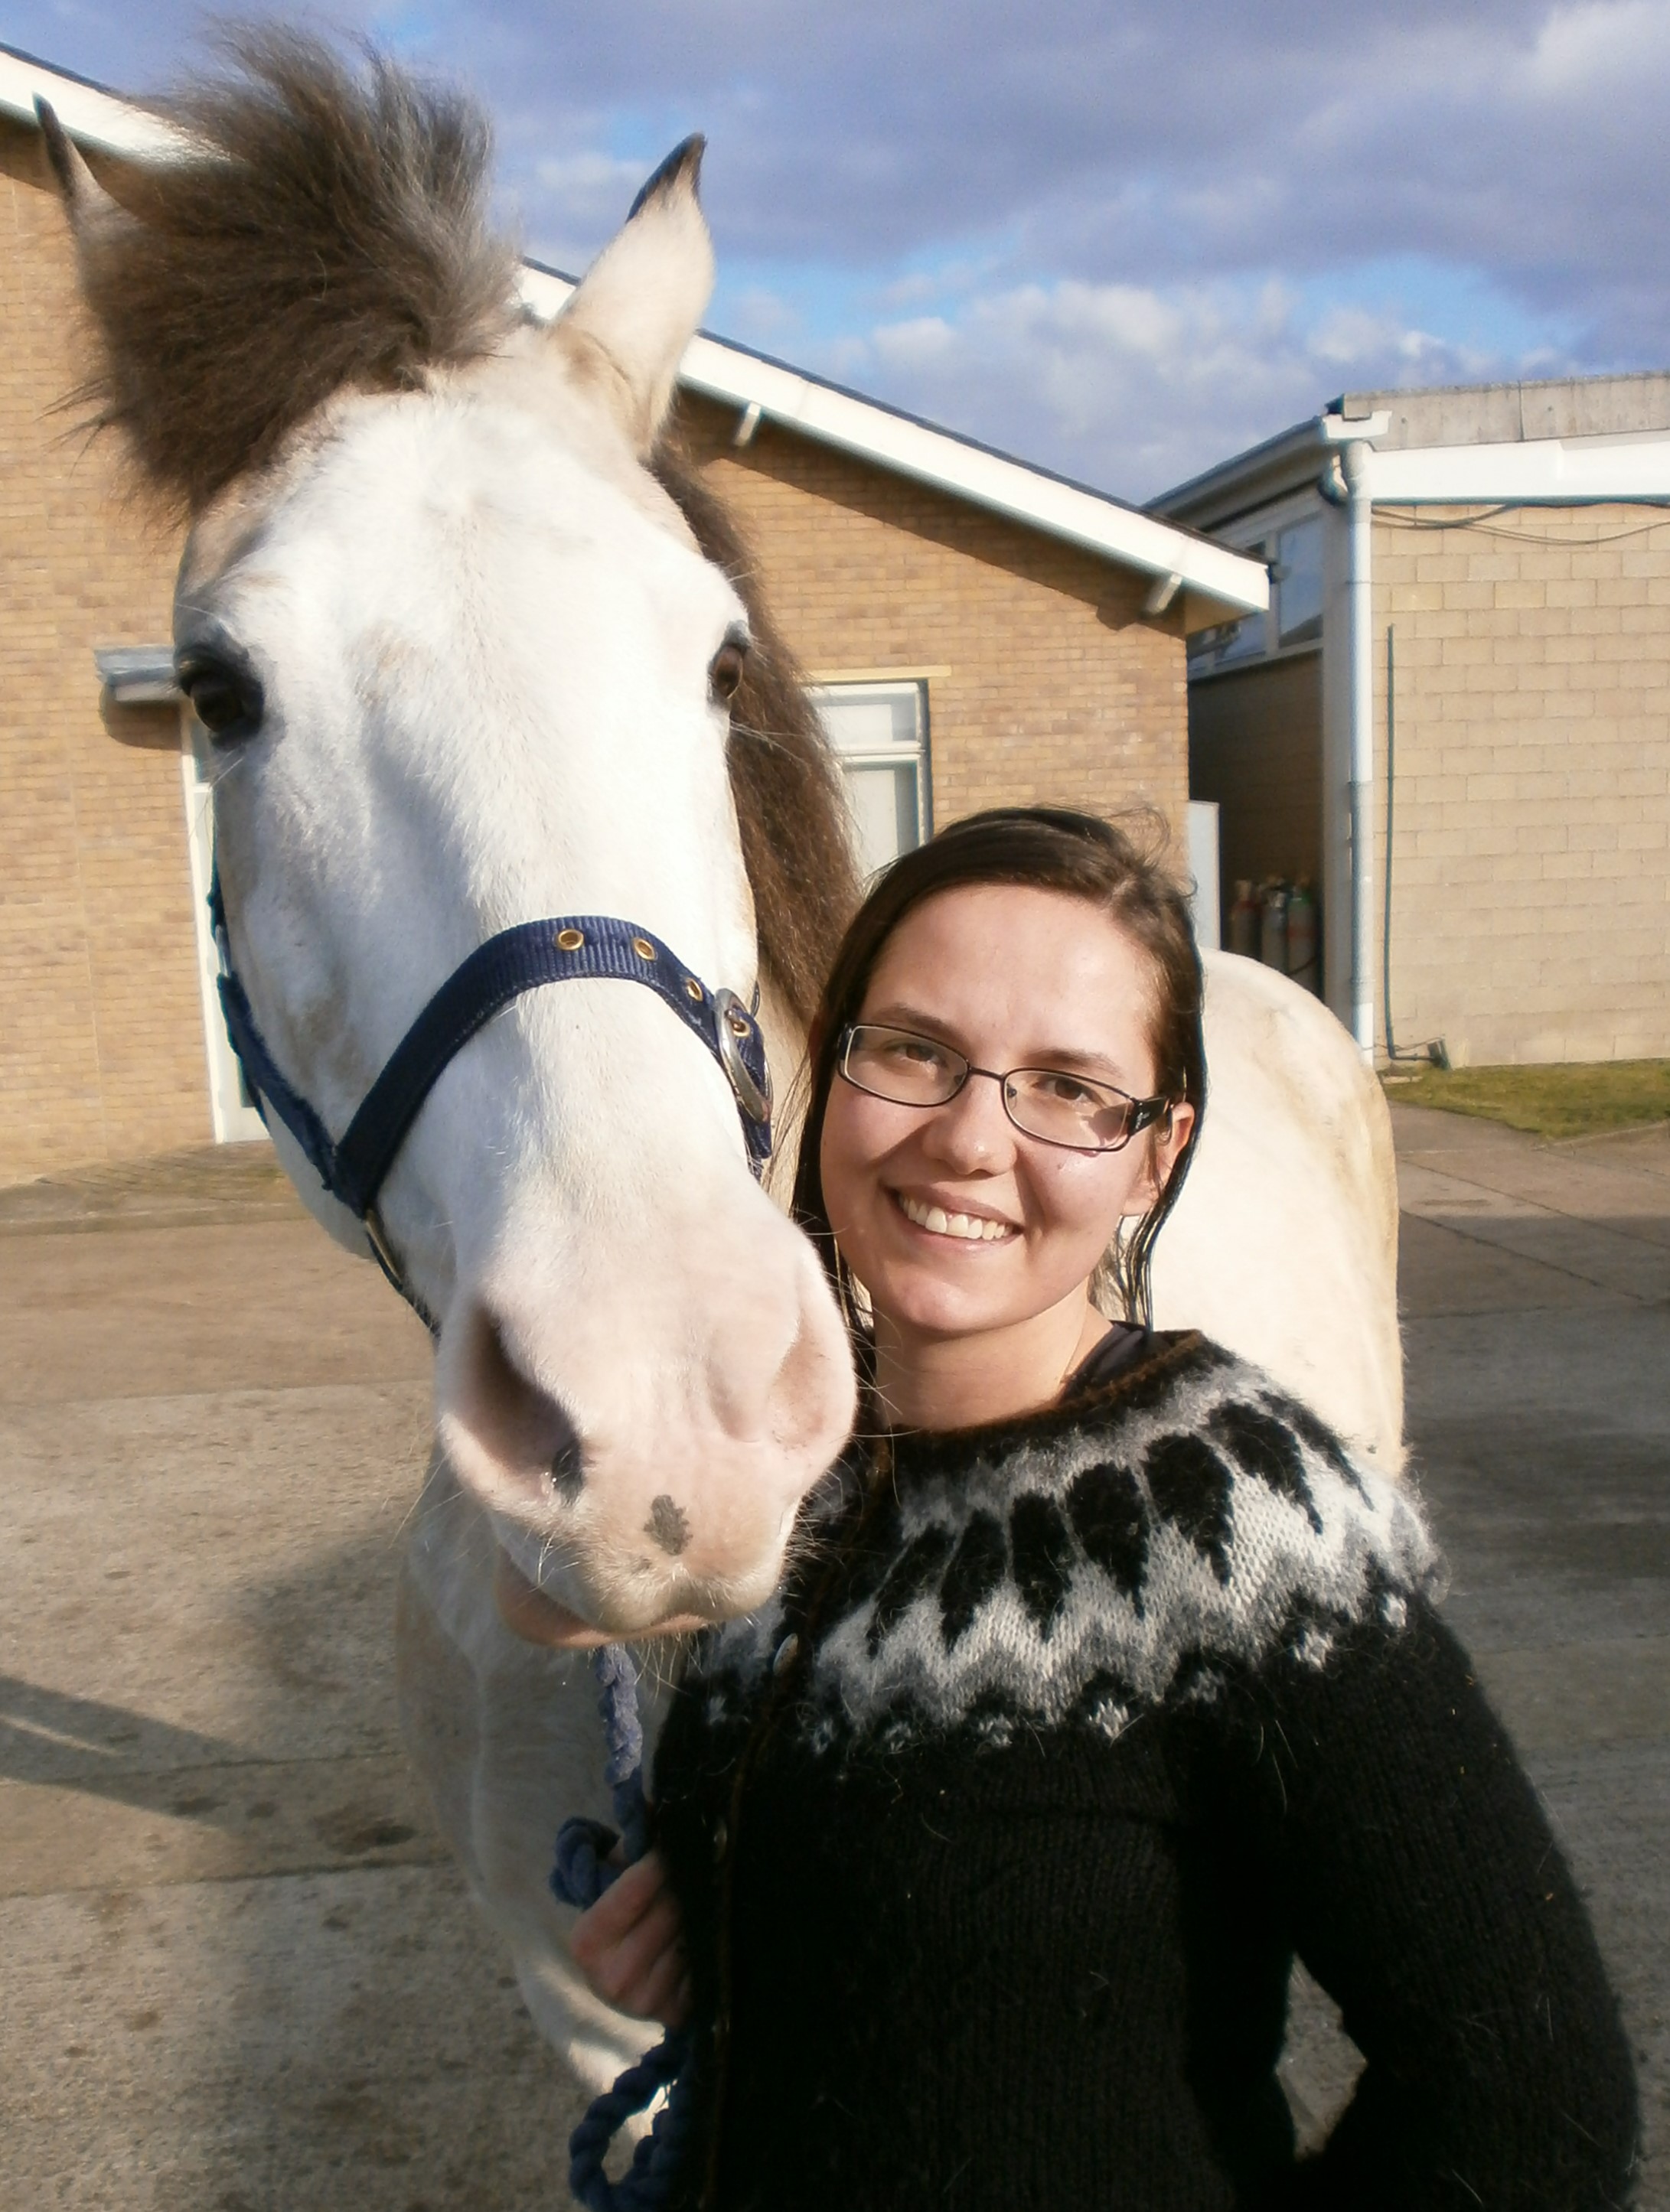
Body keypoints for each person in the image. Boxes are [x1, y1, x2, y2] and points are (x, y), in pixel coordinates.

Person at [571, 806, 1638, 2210]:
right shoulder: (795, 1466)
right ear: (833, 1071)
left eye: (1070, 1087)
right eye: (913, 1049)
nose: (965, 1137)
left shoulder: (1243, 1521)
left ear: (1153, 1151)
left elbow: (1533, 2100)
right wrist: (733, 1884)